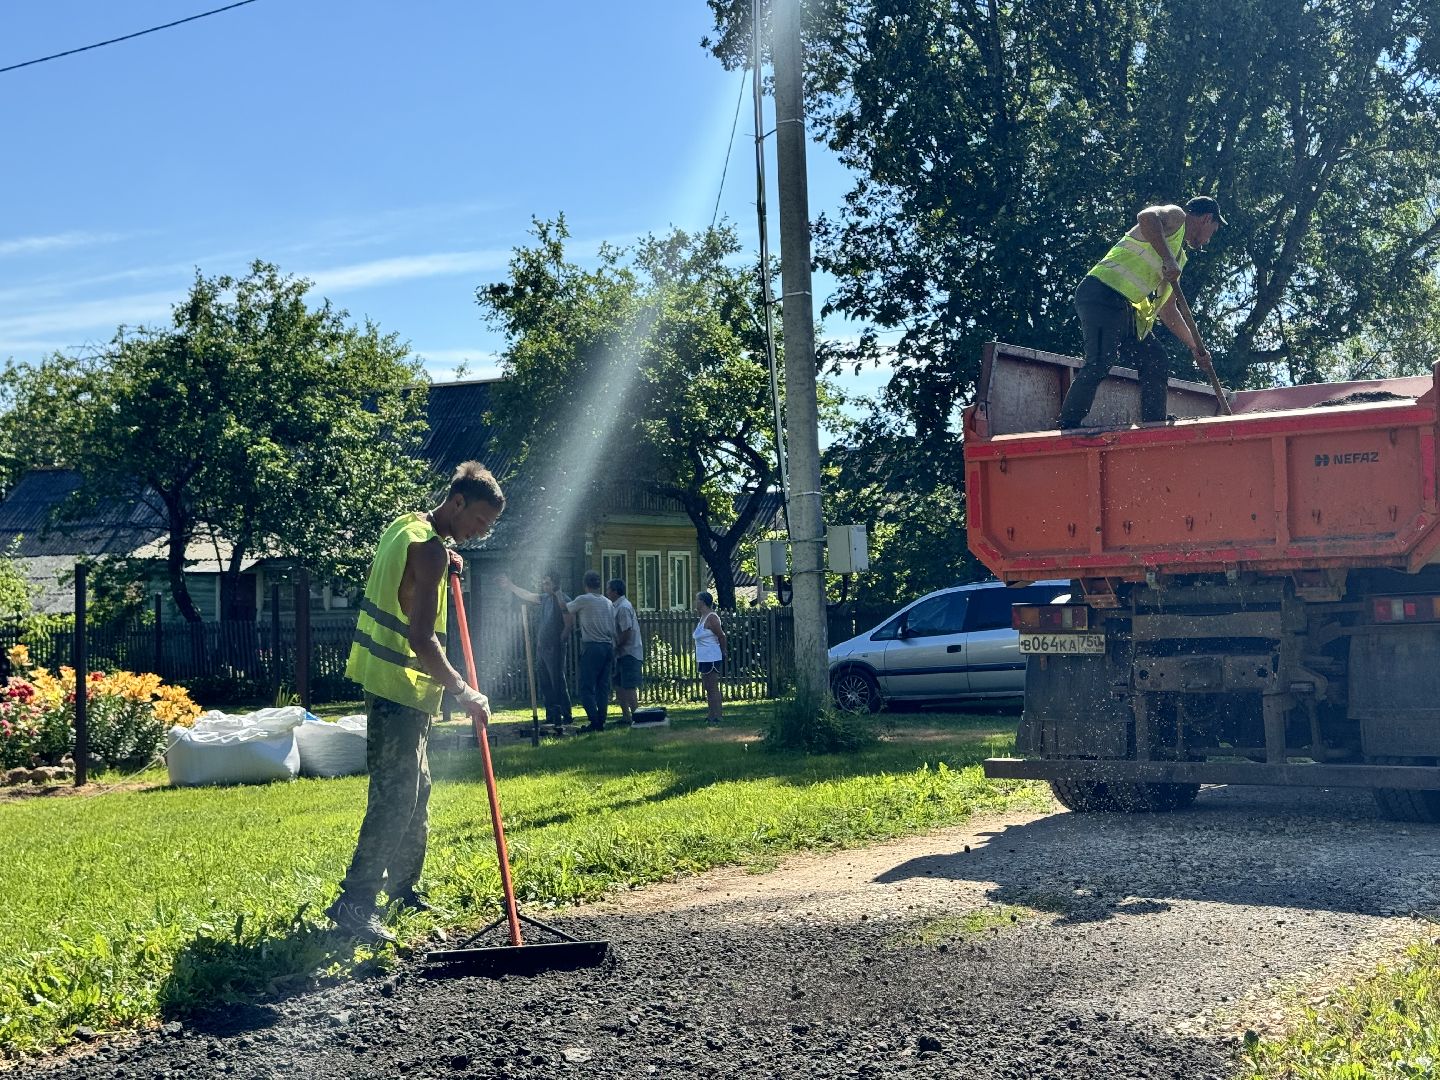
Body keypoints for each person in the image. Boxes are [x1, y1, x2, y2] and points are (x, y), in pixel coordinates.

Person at [327, 461, 505, 944]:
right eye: (478, 522)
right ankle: (355, 902)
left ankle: (405, 889)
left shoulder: (408, 526)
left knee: (417, 788)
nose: (479, 533)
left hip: (396, 686)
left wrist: (448, 556)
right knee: (396, 794)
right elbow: (423, 639)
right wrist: (464, 691)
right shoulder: (428, 550)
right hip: (398, 687)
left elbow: (418, 565)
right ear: (459, 502)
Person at [1055, 196, 1226, 429]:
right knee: (1100, 360)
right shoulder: (1177, 217)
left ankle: (1154, 424)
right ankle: (1069, 423)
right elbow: (1146, 217)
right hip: (1101, 292)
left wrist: (1195, 347)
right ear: (1207, 219)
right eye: (1213, 232)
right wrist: (1167, 259)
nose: (1208, 241)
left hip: (1123, 309)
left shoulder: (1178, 259)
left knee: (1155, 359)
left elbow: (1168, 311)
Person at [498, 569, 572, 735]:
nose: (544, 585)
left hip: (555, 647)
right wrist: (511, 586)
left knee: (557, 680)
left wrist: (562, 639)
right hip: (542, 647)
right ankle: (551, 714)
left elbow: (569, 619)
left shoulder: (563, 599)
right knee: (545, 682)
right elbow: (528, 594)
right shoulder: (544, 599)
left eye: (547, 583)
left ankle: (565, 715)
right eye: (543, 582)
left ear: (555, 584)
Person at [564, 570, 615, 732]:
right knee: (602, 687)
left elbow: (565, 608)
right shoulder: (608, 602)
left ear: (585, 585)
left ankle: (594, 721)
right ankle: (602, 719)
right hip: (608, 646)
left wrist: (558, 593)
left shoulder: (584, 599)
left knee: (586, 687)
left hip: (592, 647)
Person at [605, 578, 642, 725]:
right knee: (619, 685)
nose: (607, 592)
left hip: (629, 652)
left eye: (608, 589)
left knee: (629, 685)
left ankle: (636, 716)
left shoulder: (624, 608)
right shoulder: (616, 606)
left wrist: (617, 646)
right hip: (621, 653)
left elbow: (627, 631)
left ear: (615, 591)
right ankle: (626, 716)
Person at [693, 591, 728, 725]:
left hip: (711, 656)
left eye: (697, 600)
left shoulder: (712, 617)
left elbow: (721, 635)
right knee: (707, 686)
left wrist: (723, 650)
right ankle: (711, 713)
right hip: (703, 657)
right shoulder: (702, 617)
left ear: (703, 602)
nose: (695, 603)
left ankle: (718, 715)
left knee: (713, 687)